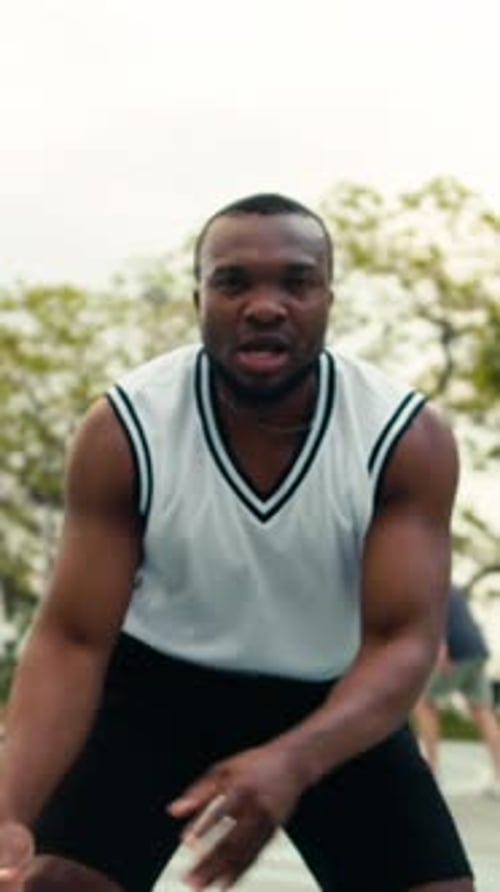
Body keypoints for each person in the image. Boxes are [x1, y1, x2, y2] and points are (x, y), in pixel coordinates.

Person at [0, 193, 474, 891]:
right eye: (233, 281)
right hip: (156, 691)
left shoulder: (403, 437)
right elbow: (73, 638)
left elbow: (404, 642)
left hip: (329, 698)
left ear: (328, 298)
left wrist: (294, 758)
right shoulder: (126, 430)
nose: (264, 304)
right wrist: (10, 807)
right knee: (51, 883)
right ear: (198, 297)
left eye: (296, 281)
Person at [414, 585, 500, 795]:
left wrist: (440, 648)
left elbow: (435, 615)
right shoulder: (452, 586)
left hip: (453, 651)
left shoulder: (427, 580)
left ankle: (433, 773)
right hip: (476, 650)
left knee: (424, 704)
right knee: (482, 711)